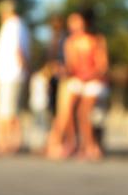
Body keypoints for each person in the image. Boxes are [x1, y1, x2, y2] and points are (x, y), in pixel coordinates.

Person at [46, 9, 108, 160]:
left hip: (95, 81)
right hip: (79, 80)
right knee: (66, 107)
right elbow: (72, 66)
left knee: (83, 113)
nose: (73, 24)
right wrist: (61, 70)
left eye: (76, 20)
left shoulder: (96, 40)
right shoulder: (70, 42)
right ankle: (69, 141)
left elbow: (102, 67)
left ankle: (90, 146)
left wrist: (87, 75)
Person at [0, 0, 30, 155]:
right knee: (5, 110)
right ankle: (5, 140)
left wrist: (25, 70)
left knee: (9, 111)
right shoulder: (14, 25)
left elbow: (18, 50)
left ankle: (10, 142)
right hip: (6, 75)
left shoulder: (14, 25)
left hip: (11, 74)